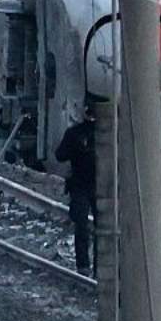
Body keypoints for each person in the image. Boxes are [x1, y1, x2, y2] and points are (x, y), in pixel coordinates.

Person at [54, 105, 98, 274]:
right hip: (99, 186)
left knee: (82, 225)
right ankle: (98, 267)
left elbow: (60, 155)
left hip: (80, 184)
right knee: (101, 228)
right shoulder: (107, 134)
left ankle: (84, 266)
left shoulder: (74, 133)